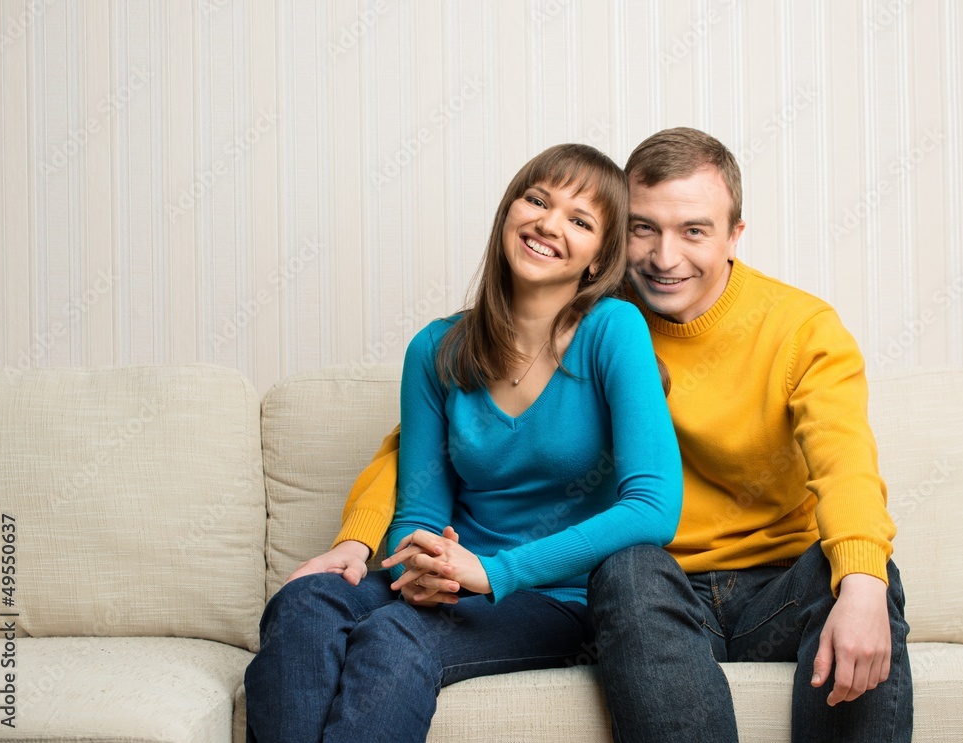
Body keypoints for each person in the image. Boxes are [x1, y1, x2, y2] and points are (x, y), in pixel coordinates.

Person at [288, 127, 914, 742]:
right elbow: (421, 446)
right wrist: (360, 538)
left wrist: (861, 579)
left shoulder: (798, 327)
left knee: (868, 579)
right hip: (651, 588)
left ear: (734, 236)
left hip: (772, 582)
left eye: (694, 231)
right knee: (631, 570)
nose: (665, 258)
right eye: (644, 229)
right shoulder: (590, 312)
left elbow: (845, 462)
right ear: (618, 240)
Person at [243, 143, 684, 743]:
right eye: (537, 200)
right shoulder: (437, 349)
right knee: (303, 604)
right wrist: (424, 567)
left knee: (394, 636)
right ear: (509, 212)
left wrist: (491, 571)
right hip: (454, 578)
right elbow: (421, 508)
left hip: (555, 597)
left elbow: (654, 508)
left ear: (597, 260)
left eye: (580, 221)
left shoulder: (613, 331)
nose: (549, 224)